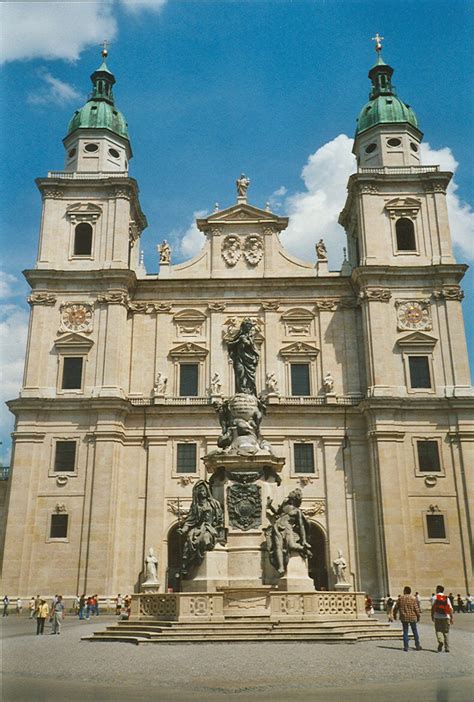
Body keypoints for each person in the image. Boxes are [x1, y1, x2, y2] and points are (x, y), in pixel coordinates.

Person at [393, 586, 422, 651]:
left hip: (404, 617)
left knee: (405, 631)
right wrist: (418, 616)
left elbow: (396, 607)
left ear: (405, 591)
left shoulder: (401, 598)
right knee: (415, 631)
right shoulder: (413, 598)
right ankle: (417, 645)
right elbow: (416, 608)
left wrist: (394, 614)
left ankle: (406, 646)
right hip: (412, 617)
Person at [431, 584, 454, 653]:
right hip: (446, 616)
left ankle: (440, 641)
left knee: (438, 630)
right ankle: (447, 647)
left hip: (437, 616)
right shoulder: (446, 597)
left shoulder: (434, 597)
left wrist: (432, 616)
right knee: (446, 632)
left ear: (438, 590)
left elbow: (433, 608)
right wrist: (451, 618)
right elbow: (450, 609)